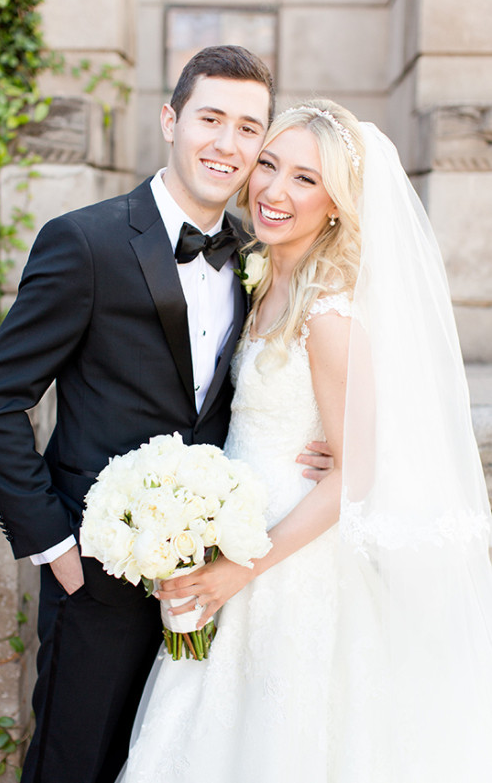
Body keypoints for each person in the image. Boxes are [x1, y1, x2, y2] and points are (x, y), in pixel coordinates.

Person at [0, 45, 333, 783]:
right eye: (211, 118)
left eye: (248, 128)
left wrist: (321, 438)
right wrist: (56, 550)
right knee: (75, 765)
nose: (227, 144)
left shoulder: (258, 258)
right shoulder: (86, 241)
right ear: (171, 120)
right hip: (96, 582)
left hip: (211, 589)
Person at [118, 100, 492, 783]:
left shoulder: (329, 311)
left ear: (338, 204)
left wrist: (242, 569)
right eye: (269, 166)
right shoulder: (262, 276)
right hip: (236, 527)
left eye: (305, 179)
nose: (274, 191)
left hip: (289, 563)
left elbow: (354, 474)